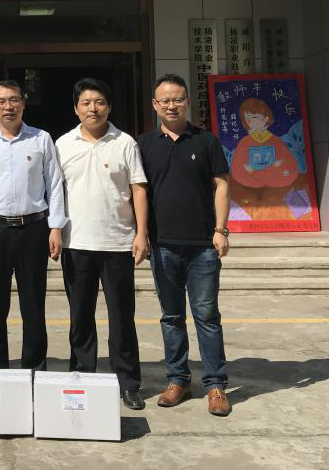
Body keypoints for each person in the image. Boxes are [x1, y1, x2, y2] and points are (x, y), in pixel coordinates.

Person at [136, 73, 233, 417]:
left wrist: (221, 230)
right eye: (165, 100)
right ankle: (178, 380)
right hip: (163, 246)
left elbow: (222, 186)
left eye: (178, 99)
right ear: (155, 105)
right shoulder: (144, 145)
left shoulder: (206, 141)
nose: (172, 105)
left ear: (188, 102)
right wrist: (141, 234)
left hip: (203, 246)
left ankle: (216, 385)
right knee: (172, 317)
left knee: (206, 316)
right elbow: (138, 192)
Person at [0, 80, 66, 371]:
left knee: (33, 304)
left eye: (14, 100)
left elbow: (54, 184)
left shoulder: (41, 139)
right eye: (1, 101)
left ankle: (34, 369)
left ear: (23, 103)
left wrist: (56, 227)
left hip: (33, 229)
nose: (8, 106)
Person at [56, 78, 150, 410]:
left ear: (109, 106)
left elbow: (139, 189)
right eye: (86, 102)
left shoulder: (125, 142)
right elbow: (54, 192)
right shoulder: (62, 144)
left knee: (122, 318)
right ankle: (82, 377)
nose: (92, 108)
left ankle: (128, 383)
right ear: (76, 108)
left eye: (99, 102)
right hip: (76, 243)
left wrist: (141, 233)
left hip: (118, 243)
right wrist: (54, 230)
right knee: (80, 317)